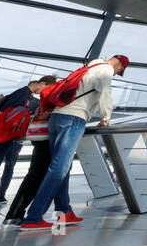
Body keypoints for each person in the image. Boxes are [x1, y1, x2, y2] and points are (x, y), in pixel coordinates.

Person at [20, 55, 129, 229]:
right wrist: (106, 117)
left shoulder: (88, 68)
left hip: (56, 118)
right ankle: (33, 217)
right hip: (73, 118)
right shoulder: (105, 69)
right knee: (58, 168)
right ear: (119, 65)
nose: (116, 74)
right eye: (119, 72)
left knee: (63, 166)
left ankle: (64, 212)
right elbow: (105, 93)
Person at [0, 75, 57, 215]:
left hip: (2, 136)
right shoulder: (23, 93)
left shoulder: (24, 94)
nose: (44, 92)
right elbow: (5, 115)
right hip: (4, 137)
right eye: (46, 88)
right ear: (42, 83)